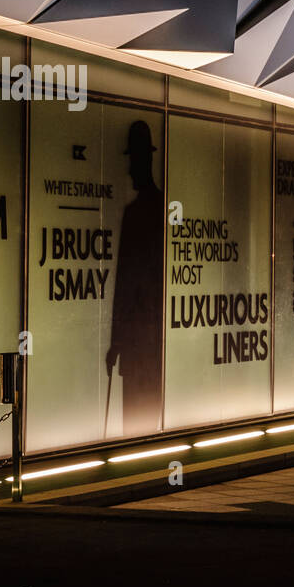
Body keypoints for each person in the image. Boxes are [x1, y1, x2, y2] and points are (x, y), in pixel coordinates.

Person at [106, 119, 164, 436]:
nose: (129, 170)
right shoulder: (155, 209)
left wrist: (117, 341)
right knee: (145, 417)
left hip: (140, 342)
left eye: (133, 160)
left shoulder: (142, 212)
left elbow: (126, 285)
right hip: (149, 344)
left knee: (136, 420)